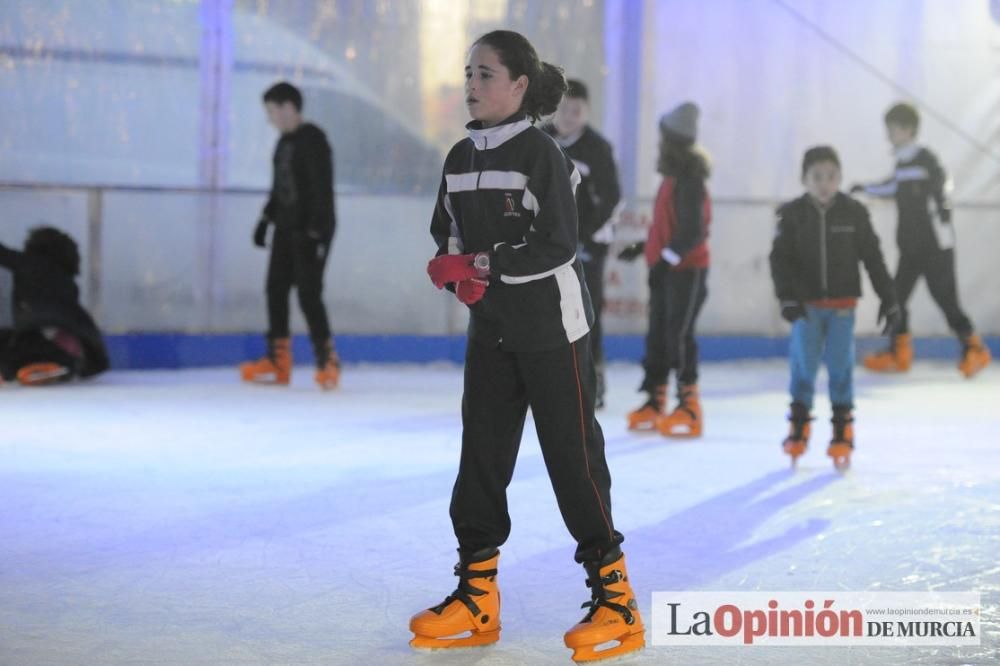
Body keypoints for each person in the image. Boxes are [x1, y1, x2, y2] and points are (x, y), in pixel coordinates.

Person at [409, 30, 644, 662]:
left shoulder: (541, 153)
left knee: (572, 457)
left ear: (518, 86)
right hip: (493, 330)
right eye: (468, 73)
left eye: (485, 74)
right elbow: (448, 232)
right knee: (481, 457)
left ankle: (616, 599)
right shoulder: (459, 157)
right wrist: (451, 266)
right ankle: (476, 593)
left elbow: (557, 243)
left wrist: (481, 263)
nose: (472, 84)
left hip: (551, 328)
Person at [772, 146, 900, 470]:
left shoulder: (854, 212)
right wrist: (787, 297)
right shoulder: (793, 214)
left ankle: (843, 431)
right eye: (817, 177)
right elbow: (780, 260)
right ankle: (798, 427)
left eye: (830, 176)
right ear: (805, 179)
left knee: (841, 368)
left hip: (843, 306)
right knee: (803, 367)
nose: (824, 183)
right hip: (807, 307)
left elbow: (873, 257)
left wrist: (889, 297)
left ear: (839, 177)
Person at [851, 102, 990, 378]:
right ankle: (899, 352)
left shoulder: (925, 160)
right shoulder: (903, 164)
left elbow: (944, 183)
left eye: (891, 130)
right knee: (896, 298)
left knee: (946, 299)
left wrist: (943, 209)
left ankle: (974, 349)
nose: (888, 135)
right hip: (910, 248)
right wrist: (864, 188)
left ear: (907, 129)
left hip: (935, 247)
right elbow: (891, 186)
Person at [239, 81, 341, 390]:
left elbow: (321, 187)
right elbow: (280, 188)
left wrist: (316, 230)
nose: (270, 118)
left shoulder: (313, 139)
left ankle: (327, 360)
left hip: (311, 230)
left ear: (287, 108)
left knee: (308, 293)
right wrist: (265, 219)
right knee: (275, 288)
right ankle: (278, 359)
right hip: (286, 227)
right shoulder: (283, 144)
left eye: (271, 111)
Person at [623, 102, 712, 438]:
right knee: (658, 333)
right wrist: (645, 248)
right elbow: (667, 227)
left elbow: (692, 231)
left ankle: (690, 406)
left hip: (687, 272)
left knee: (679, 335)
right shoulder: (673, 178)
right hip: (668, 269)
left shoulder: (690, 180)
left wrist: (666, 261)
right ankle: (655, 398)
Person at [543, 79, 622, 408]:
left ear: (586, 113)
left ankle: (593, 380)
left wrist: (583, 236)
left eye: (576, 111)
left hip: (586, 245)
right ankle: (549, 380)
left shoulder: (597, 148)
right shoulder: (541, 139)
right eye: (564, 109)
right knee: (548, 312)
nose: (569, 116)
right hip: (546, 245)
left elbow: (611, 198)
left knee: (586, 314)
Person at [0, 227, 109, 385]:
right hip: (75, 349)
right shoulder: (68, 281)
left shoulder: (26, 263)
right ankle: (60, 366)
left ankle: (17, 367)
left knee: (11, 346)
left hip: (36, 340)